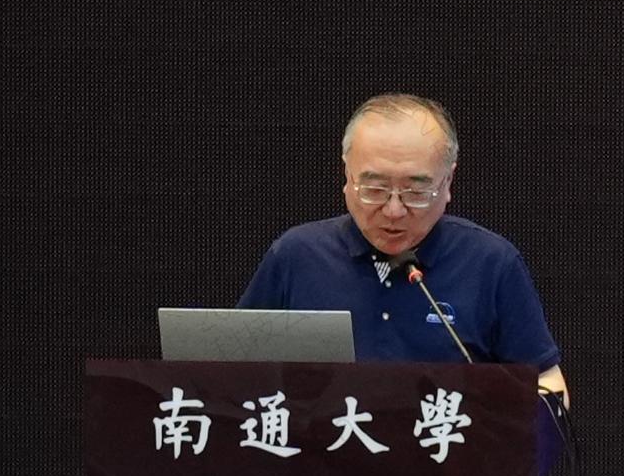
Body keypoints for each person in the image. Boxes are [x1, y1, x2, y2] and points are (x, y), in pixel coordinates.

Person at [242, 91, 571, 406]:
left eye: (416, 193)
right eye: (374, 189)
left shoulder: (490, 263)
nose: (393, 210)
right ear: (347, 175)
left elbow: (547, 385)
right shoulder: (297, 256)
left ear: (448, 181)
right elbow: (231, 373)